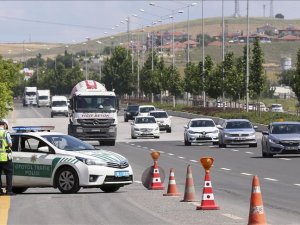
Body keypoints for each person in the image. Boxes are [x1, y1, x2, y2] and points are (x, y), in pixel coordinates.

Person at [0, 119, 14, 196]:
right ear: (4, 125)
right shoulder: (5, 133)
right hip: (5, 157)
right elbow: (10, 144)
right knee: (9, 174)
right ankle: (9, 191)